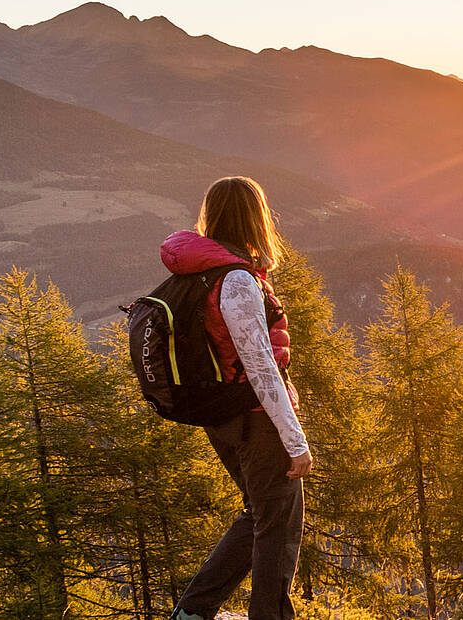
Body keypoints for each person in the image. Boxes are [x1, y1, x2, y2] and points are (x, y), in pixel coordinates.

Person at [167, 176, 312, 620]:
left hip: (224, 417)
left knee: (258, 515)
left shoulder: (200, 273)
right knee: (279, 527)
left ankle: (193, 611)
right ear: (257, 216)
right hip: (256, 419)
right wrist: (296, 440)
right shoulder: (237, 280)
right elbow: (261, 365)